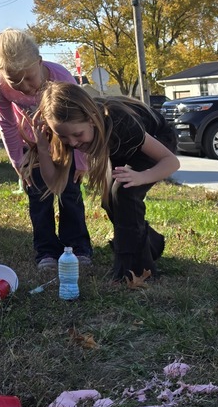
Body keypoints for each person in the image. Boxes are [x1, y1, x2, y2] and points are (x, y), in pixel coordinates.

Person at [29, 82, 179, 282]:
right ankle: (152, 245)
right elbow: (55, 184)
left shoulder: (120, 122)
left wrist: (141, 177)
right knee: (109, 202)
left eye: (77, 134)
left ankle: (136, 272)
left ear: (91, 119)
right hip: (122, 147)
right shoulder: (67, 131)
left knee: (124, 192)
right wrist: (42, 148)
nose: (72, 142)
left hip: (157, 140)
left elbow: (171, 161)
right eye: (63, 137)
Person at [0, 29, 92, 269]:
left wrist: (81, 160)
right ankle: (46, 251)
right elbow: (6, 123)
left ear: (39, 62)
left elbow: (80, 120)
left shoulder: (61, 76)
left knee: (69, 192)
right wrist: (18, 161)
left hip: (64, 141)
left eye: (29, 78)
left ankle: (77, 246)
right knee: (38, 195)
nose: (24, 87)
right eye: (15, 81)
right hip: (30, 142)